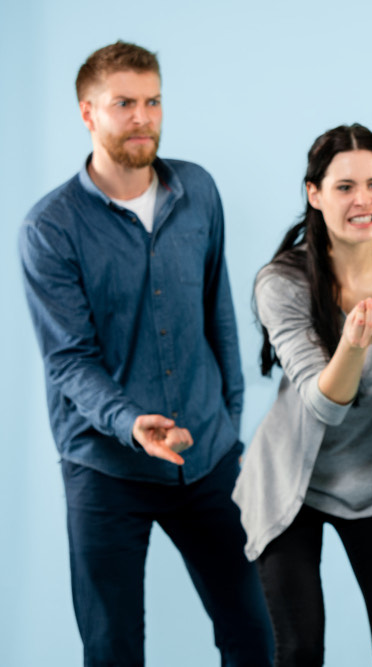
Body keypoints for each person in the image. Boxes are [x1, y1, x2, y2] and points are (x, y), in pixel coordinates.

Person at [18, 41, 273, 665]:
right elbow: (69, 361)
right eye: (124, 103)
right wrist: (132, 424)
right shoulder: (49, 228)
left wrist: (228, 418)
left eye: (153, 101)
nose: (142, 117)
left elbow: (218, 311)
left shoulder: (198, 190)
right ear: (87, 113)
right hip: (106, 471)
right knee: (112, 650)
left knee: (254, 635)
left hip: (207, 457)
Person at [233, 123, 372, 667]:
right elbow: (324, 402)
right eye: (345, 186)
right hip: (292, 485)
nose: (364, 200)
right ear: (314, 193)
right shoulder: (279, 283)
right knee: (301, 650)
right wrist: (352, 345)